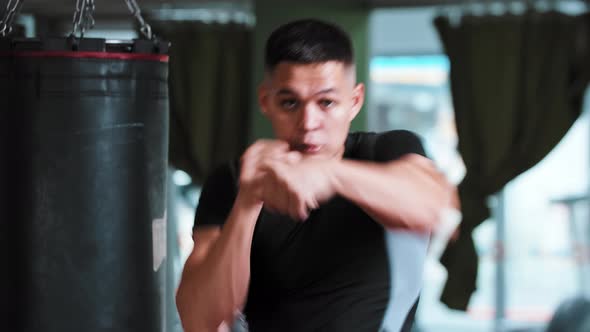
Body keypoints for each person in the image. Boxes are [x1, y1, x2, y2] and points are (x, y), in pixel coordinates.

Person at [176, 18, 457, 332]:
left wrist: (329, 174)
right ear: (266, 102)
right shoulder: (231, 180)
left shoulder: (386, 150)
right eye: (290, 103)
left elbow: (433, 207)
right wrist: (247, 202)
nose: (308, 122)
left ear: (354, 102)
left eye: (326, 102)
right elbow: (200, 321)